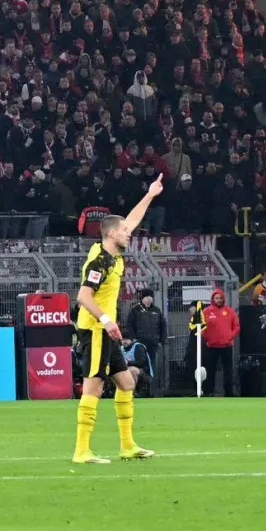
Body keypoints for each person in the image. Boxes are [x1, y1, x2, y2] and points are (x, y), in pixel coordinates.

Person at [72, 174, 163, 464]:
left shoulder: (112, 253)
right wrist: (107, 321)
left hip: (105, 330)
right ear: (112, 234)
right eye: (124, 230)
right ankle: (82, 450)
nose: (130, 232)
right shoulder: (100, 261)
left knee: (126, 383)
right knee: (94, 386)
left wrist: (150, 194)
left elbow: (131, 220)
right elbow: (83, 297)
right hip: (96, 330)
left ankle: (127, 445)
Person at [199, 290, 240, 397]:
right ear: (213, 299)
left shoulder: (230, 311)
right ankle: (208, 392)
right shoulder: (206, 311)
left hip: (226, 346)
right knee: (210, 370)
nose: (219, 300)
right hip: (211, 346)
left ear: (224, 299)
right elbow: (202, 327)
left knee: (228, 371)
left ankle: (229, 392)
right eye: (217, 298)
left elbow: (236, 326)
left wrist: (229, 337)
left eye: (220, 298)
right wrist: (208, 338)